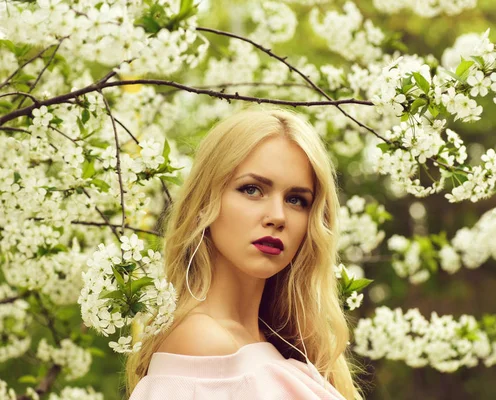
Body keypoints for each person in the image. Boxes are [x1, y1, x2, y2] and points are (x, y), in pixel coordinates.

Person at [124, 107, 365, 399]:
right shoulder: (201, 347)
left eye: (296, 200)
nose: (277, 216)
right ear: (205, 202)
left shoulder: (278, 344)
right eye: (252, 189)